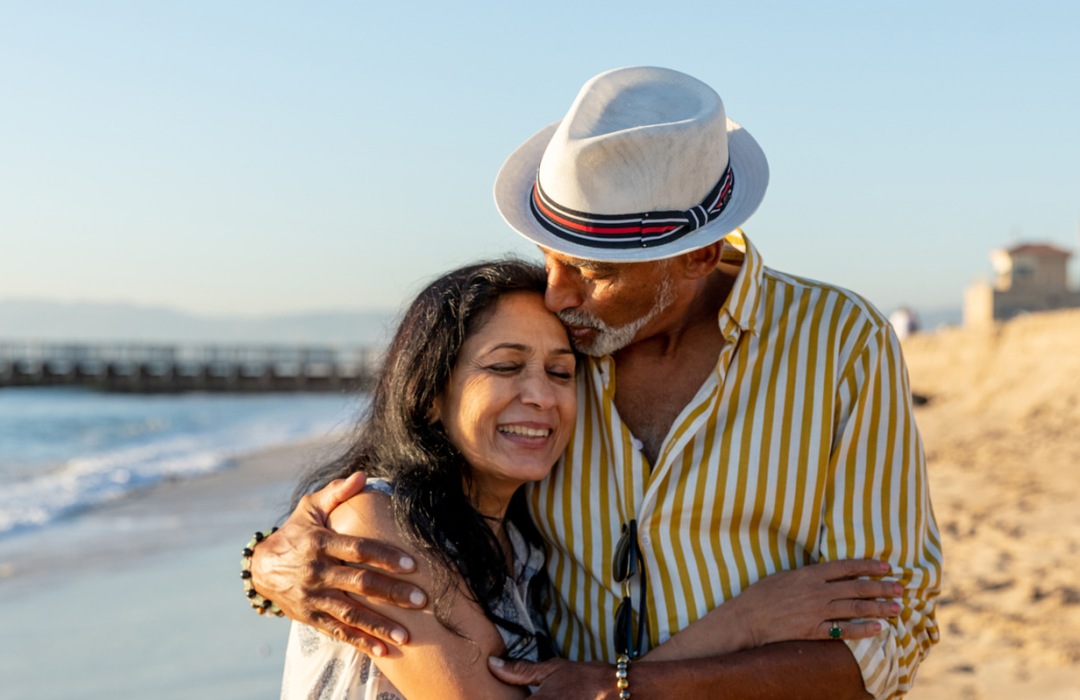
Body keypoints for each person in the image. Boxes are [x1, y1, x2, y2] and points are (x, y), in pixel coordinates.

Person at [250, 67, 942, 699]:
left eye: (595, 272)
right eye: (549, 259)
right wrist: (266, 565)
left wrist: (632, 685)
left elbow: (886, 640)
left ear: (699, 255)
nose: (557, 295)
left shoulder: (840, 343)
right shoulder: (561, 347)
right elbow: (401, 482)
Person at [274, 258, 902, 699]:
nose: (540, 397)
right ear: (429, 393)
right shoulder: (377, 522)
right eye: (505, 366)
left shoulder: (518, 542)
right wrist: (745, 623)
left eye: (559, 371)